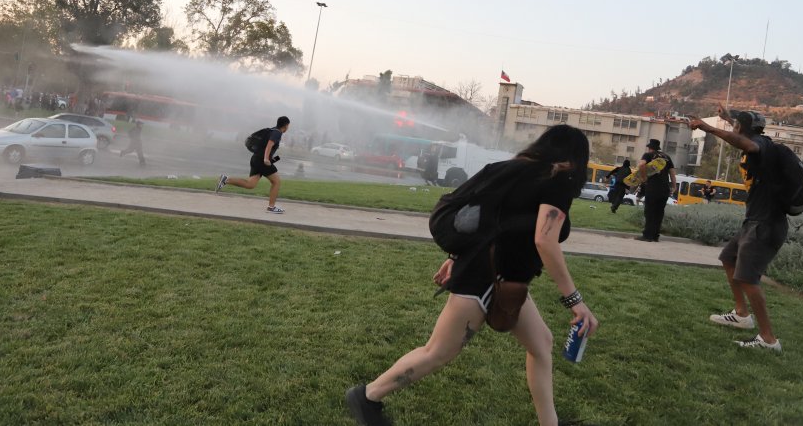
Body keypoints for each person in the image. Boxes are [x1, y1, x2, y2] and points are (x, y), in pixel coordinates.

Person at [346, 124, 599, 426]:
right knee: (437, 352)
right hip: (485, 278)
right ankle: (368, 396)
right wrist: (575, 301)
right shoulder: (556, 181)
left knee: (541, 344)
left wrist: (455, 256)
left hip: (503, 279)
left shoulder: (510, 169)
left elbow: (486, 217)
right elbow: (545, 241)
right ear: (575, 158)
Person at [689, 107, 786, 351]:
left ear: (741, 129)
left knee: (748, 278)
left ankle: (768, 339)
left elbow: (749, 145)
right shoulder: (756, 138)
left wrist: (709, 127)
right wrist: (726, 119)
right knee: (728, 258)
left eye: (735, 125)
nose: (733, 128)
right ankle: (742, 314)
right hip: (755, 220)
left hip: (765, 224)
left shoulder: (760, 145)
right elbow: (744, 136)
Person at [215, 116, 290, 214]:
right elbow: (269, 145)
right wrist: (266, 158)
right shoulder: (277, 133)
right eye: (288, 126)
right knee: (276, 182)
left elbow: (266, 146)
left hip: (256, 159)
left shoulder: (271, 130)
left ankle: (226, 179)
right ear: (286, 125)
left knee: (250, 184)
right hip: (261, 161)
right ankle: (271, 207)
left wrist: (270, 158)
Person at [634, 139, 676, 242]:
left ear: (650, 148)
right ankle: (655, 236)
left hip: (653, 188)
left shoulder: (648, 155)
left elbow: (641, 165)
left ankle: (647, 236)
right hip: (665, 189)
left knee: (649, 211)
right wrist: (674, 186)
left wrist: (644, 178)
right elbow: (672, 173)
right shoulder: (667, 157)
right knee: (659, 213)